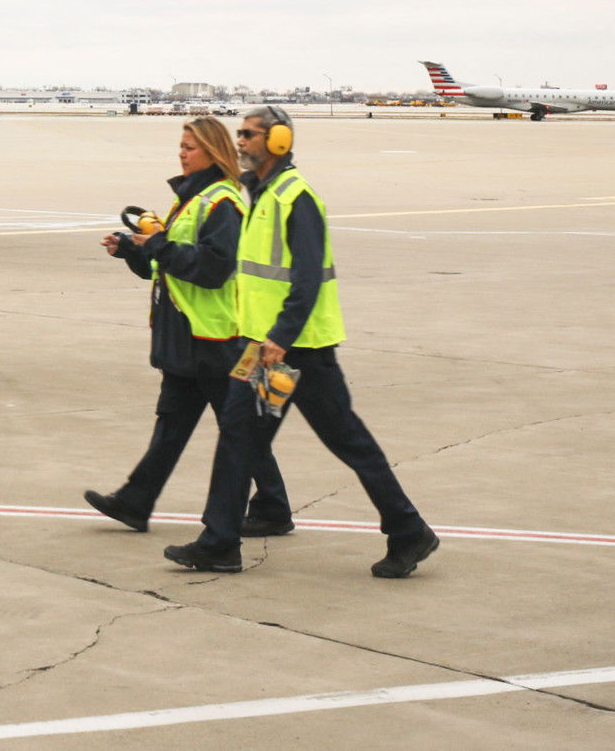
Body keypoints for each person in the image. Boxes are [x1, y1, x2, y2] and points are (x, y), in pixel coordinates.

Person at [163, 103, 439, 579]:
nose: (242, 141)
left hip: (297, 349)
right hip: (262, 347)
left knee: (347, 441)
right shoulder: (259, 193)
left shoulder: (296, 197)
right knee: (238, 438)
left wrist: (280, 338)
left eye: (249, 134)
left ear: (278, 143)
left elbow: (307, 279)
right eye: (241, 134)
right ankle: (220, 542)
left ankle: (409, 529)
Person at [83, 116, 292, 535]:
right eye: (180, 145)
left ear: (212, 152)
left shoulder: (222, 203)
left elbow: (213, 269)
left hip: (215, 338)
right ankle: (136, 500)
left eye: (189, 147)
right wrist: (133, 252)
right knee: (174, 424)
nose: (181, 153)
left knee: (236, 427)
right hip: (188, 336)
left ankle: (271, 507)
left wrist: (157, 244)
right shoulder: (193, 199)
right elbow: (168, 265)